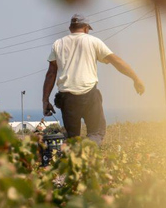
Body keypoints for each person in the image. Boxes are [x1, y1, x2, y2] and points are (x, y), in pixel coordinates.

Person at [42, 14, 145, 145]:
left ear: (70, 28)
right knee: (96, 133)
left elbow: (51, 73)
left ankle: (76, 162)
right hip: (89, 95)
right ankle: (91, 155)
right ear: (86, 28)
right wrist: (136, 79)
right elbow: (116, 61)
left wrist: (45, 100)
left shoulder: (58, 44)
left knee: (73, 140)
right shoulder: (93, 41)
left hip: (67, 98)